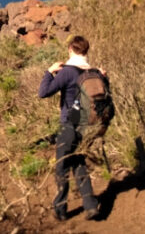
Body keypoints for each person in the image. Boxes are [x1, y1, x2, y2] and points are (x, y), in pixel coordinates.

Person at [38, 36, 100, 221]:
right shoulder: (94, 72)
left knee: (62, 166)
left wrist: (49, 72)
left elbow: (43, 92)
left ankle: (60, 210)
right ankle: (90, 206)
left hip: (69, 124)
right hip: (88, 126)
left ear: (71, 50)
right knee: (79, 163)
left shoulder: (68, 71)